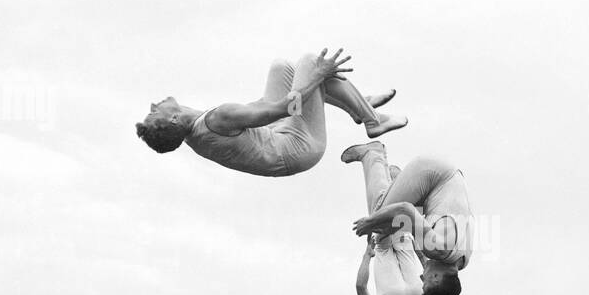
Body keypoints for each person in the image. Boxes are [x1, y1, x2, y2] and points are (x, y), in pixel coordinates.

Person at [134, 49, 406, 175]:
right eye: (153, 113)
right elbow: (286, 108)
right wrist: (318, 76)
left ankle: (356, 103)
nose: (152, 106)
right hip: (299, 147)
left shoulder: (195, 131)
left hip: (278, 137)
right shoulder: (218, 118)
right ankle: (372, 120)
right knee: (311, 63)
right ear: (172, 118)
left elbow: (260, 108)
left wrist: (313, 86)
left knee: (281, 68)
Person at [347, 145, 472, 295]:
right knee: (380, 223)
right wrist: (369, 222)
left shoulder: (460, 261)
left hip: (447, 179)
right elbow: (405, 209)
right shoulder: (438, 250)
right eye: (424, 282)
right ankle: (372, 153)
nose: (420, 276)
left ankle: (397, 181)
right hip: (432, 173)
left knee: (394, 226)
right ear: (435, 278)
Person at [344, 141, 439, 295]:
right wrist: (367, 255)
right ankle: (374, 156)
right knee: (380, 224)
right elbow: (360, 287)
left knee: (403, 228)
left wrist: (423, 257)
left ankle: (398, 182)